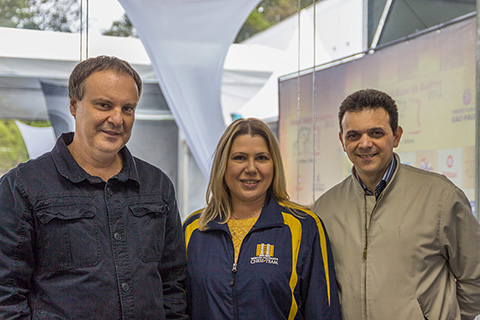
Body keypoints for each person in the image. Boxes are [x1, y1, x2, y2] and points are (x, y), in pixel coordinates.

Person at [0, 56, 188, 319]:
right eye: (104, 105)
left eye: (128, 109)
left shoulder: (157, 186)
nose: (117, 119)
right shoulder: (23, 186)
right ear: (74, 105)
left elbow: (173, 286)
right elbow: (6, 294)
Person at [313, 88, 480, 320]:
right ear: (342, 140)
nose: (364, 143)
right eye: (353, 135)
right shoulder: (324, 209)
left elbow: (475, 277)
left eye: (376, 133)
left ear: (396, 136)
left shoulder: (441, 197)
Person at [183, 118, 341, 319]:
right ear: (223, 165)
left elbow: (323, 313)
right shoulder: (193, 230)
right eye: (239, 158)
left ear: (274, 165)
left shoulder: (304, 227)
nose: (251, 168)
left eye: (262, 158)